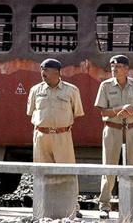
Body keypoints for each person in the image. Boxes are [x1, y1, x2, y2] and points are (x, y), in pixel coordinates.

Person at [94, 54, 133, 219]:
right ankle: (104, 206)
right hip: (112, 129)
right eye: (112, 67)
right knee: (109, 168)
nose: (114, 69)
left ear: (126, 69)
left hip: (132, 129)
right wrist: (120, 108)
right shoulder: (105, 86)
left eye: (117, 67)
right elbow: (103, 111)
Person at [27, 58, 84, 218]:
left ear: (58, 72)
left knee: (67, 171)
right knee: (41, 171)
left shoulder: (71, 91)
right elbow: (31, 112)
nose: (42, 73)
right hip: (41, 135)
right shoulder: (35, 90)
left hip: (62, 135)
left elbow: (77, 112)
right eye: (41, 69)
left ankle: (73, 207)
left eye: (46, 70)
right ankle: (42, 206)